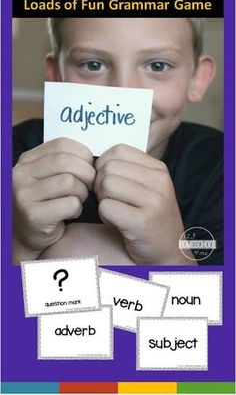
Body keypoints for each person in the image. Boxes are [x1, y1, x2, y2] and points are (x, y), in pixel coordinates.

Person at [13, 18, 223, 265]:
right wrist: (18, 242)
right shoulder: (14, 154)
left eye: (157, 66)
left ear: (196, 79)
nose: (124, 92)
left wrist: (170, 254)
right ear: (56, 76)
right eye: (92, 65)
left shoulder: (223, 166)